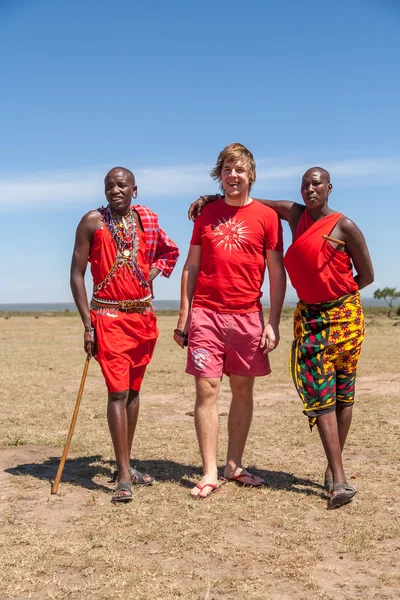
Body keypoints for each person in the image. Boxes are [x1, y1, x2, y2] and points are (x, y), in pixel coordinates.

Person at [189, 166, 374, 508]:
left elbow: (367, 274)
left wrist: (334, 296)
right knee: (320, 394)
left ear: (330, 187)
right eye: (305, 184)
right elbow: (252, 202)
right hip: (310, 320)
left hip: (344, 317)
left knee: (343, 393)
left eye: (316, 183)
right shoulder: (295, 214)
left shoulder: (344, 225)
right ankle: (340, 479)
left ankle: (334, 472)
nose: (310, 189)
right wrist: (214, 198)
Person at [174, 143, 286, 498]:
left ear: (250, 175)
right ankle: (208, 472)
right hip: (206, 314)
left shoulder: (267, 217)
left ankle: (233, 465)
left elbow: (276, 272)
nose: (232, 175)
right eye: (226, 170)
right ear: (219, 176)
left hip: (248, 316)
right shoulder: (205, 214)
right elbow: (191, 265)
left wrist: (273, 321)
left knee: (242, 391)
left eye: (239, 170)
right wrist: (184, 317)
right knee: (206, 390)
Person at [71, 167, 179, 503]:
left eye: (121, 185)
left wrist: (153, 272)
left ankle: (126, 465)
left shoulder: (145, 220)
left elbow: (169, 252)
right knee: (117, 393)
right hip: (107, 317)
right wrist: (88, 325)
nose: (115, 190)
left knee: (133, 393)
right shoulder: (92, 221)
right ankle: (122, 475)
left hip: (143, 318)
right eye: (109, 186)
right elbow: (76, 275)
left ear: (135, 189)